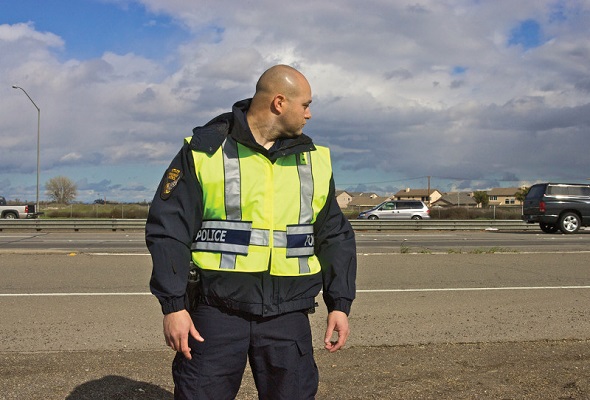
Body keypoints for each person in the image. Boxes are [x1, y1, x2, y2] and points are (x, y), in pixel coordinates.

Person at [146, 64, 357, 400]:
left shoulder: (314, 160)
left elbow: (334, 235)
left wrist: (340, 303)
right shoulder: (205, 150)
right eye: (305, 105)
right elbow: (169, 231)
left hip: (288, 316)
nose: (309, 114)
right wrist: (173, 307)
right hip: (214, 312)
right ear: (279, 103)